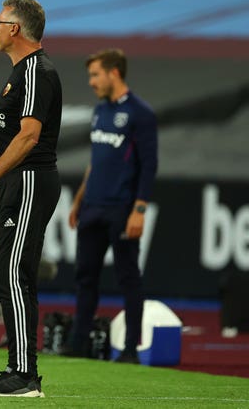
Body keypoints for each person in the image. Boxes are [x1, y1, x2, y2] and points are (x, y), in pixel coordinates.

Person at [0, 0, 62, 398]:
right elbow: (10, 130)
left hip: (29, 180)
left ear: (16, 29)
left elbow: (29, 137)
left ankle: (24, 375)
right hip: (19, 180)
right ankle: (20, 369)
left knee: (13, 273)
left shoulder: (36, 70)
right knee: (12, 272)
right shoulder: (21, 72)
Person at [64, 48, 158, 364]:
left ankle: (131, 349)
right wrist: (79, 199)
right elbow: (96, 160)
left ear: (114, 72)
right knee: (85, 276)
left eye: (95, 74)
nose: (91, 82)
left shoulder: (141, 114)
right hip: (93, 205)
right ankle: (78, 344)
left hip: (122, 208)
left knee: (127, 277)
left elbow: (149, 165)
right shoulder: (100, 111)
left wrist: (140, 209)